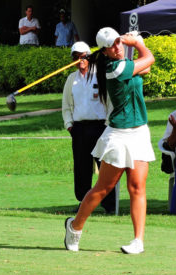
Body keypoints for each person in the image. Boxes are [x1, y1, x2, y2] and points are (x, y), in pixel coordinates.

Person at [64, 27, 155, 254]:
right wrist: (137, 43)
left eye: (118, 42)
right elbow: (149, 58)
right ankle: (74, 227)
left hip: (140, 132)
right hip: (119, 134)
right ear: (104, 52)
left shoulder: (125, 65)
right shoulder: (114, 68)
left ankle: (138, 241)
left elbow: (147, 66)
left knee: (137, 187)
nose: (118, 47)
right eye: (112, 46)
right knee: (103, 188)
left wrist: (134, 43)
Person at [62, 41, 116, 214]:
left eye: (83, 56)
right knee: (81, 167)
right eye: (76, 57)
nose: (80, 60)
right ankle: (84, 202)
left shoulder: (100, 75)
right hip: (79, 129)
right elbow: (66, 105)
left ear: (89, 56)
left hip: (100, 126)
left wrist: (107, 125)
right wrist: (70, 125)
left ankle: (109, 204)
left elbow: (109, 102)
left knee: (105, 166)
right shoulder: (72, 79)